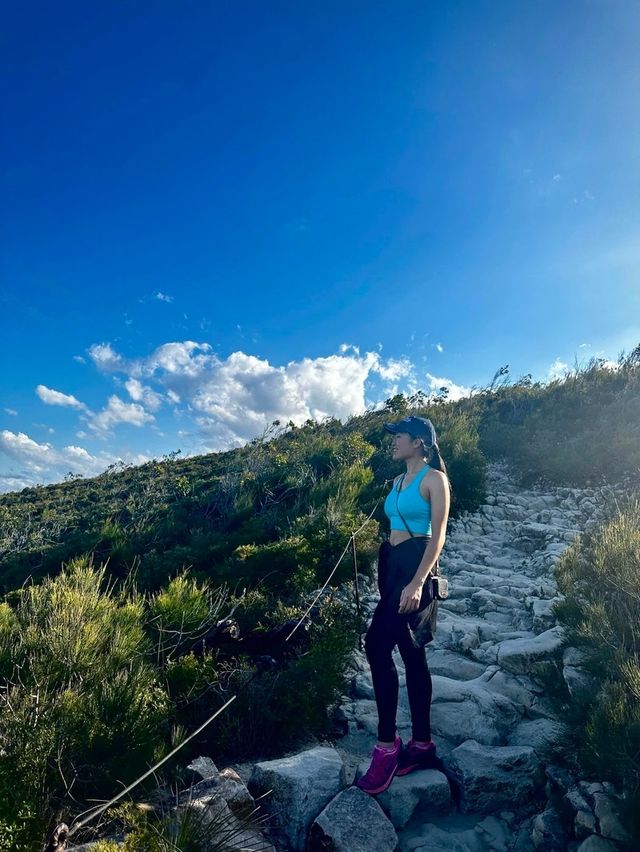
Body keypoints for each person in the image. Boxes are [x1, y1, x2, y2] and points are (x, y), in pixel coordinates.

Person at [356, 415, 451, 795]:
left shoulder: (434, 479)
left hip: (415, 571)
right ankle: (423, 745)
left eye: (399, 436)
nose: (393, 441)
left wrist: (417, 583)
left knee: (375, 645)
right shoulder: (397, 481)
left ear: (419, 442)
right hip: (392, 567)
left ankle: (387, 746)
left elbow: (438, 534)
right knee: (412, 655)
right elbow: (395, 524)